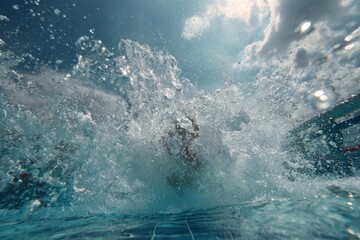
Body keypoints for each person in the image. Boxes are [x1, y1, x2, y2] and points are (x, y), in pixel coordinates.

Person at [163, 115, 202, 192]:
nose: (181, 132)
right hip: (186, 165)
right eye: (179, 130)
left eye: (182, 130)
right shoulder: (172, 136)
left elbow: (197, 132)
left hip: (193, 165)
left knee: (194, 161)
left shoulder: (191, 137)